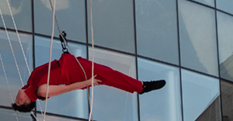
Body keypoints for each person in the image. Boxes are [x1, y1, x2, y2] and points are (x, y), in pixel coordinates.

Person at [12, 47, 165, 113]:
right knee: (109, 75)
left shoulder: (31, 82)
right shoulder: (40, 90)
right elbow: (67, 88)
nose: (17, 97)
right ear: (27, 101)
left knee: (109, 74)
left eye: (17, 99)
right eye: (19, 101)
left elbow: (51, 70)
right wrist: (87, 82)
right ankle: (140, 87)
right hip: (74, 73)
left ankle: (139, 87)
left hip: (69, 64)